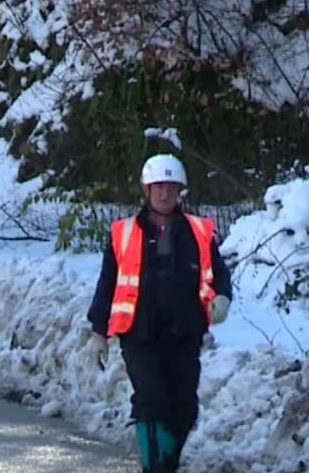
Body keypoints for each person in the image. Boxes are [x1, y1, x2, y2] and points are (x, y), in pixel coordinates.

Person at [86, 153, 233, 473]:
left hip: (184, 333)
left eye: (170, 187)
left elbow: (220, 273)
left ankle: (167, 462)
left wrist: (222, 297)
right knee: (153, 402)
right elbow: (107, 283)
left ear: (180, 191)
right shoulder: (123, 233)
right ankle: (156, 468)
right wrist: (99, 332)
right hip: (140, 334)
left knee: (185, 409)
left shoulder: (199, 230)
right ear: (146, 191)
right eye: (157, 187)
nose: (163, 194)